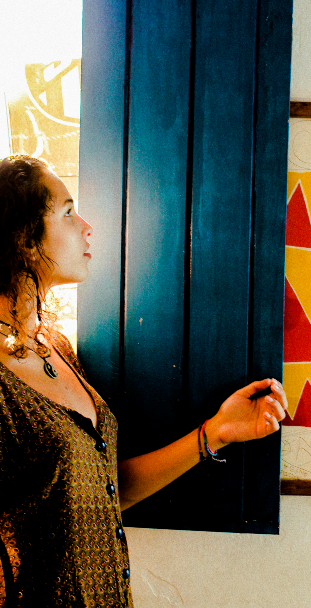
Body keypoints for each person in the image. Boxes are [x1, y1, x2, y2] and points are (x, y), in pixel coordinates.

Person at [0, 155, 288, 607]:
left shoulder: (56, 347)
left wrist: (217, 432)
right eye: (69, 212)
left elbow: (105, 490)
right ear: (24, 238)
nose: (87, 227)